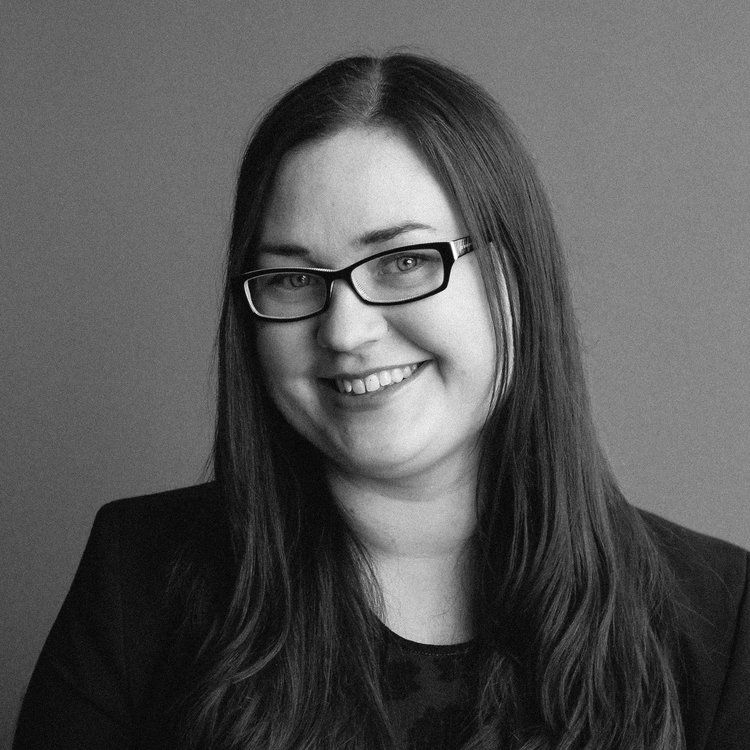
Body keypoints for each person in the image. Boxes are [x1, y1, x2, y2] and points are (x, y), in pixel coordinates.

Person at [14, 53, 750, 750]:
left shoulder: (722, 616)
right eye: (294, 279)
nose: (345, 331)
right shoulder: (138, 576)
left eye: (402, 261)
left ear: (516, 280)